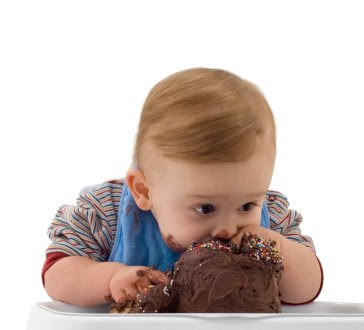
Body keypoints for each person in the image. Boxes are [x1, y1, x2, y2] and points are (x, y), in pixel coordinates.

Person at [42, 67, 323, 308]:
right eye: (205, 208)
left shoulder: (271, 217)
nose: (227, 229)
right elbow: (58, 274)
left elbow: (309, 286)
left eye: (246, 206)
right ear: (144, 191)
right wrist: (110, 278)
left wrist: (272, 248)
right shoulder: (110, 215)